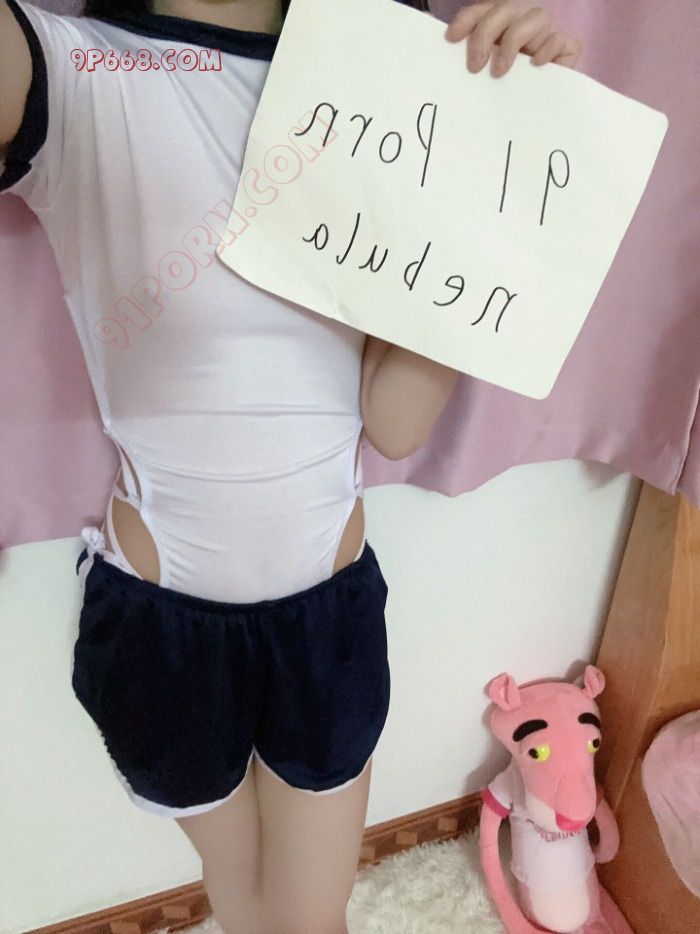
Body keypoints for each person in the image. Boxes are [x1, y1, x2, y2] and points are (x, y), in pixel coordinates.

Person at [0, 1, 582, 931]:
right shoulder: (82, 73)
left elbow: (395, 421)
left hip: (325, 620)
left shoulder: (382, 88)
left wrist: (501, 139)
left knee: (312, 916)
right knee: (242, 893)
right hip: (167, 628)